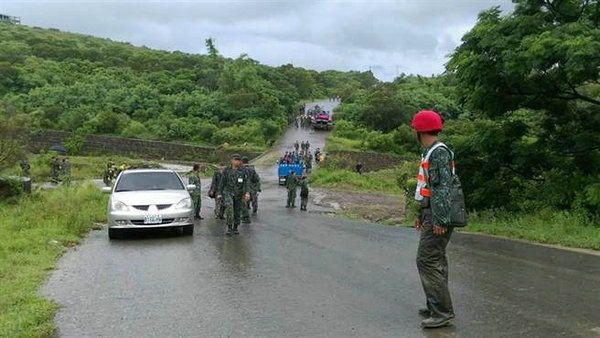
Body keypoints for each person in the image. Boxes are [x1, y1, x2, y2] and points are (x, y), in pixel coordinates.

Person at [411, 110, 456, 329]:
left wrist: (440, 219)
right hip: (430, 211)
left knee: (426, 260)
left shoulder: (438, 153)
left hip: (438, 214)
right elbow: (428, 188)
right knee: (435, 259)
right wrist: (421, 214)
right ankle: (435, 304)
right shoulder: (430, 152)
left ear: (419, 131)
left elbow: (443, 188)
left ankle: (442, 311)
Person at [218, 154, 250, 236]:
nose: (237, 161)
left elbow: (246, 182)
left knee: (237, 211)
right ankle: (229, 227)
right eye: (236, 160)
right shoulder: (227, 170)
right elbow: (222, 182)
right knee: (229, 208)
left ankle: (235, 227)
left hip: (238, 194)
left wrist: (247, 193)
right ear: (232, 160)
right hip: (228, 192)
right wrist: (220, 193)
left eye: (239, 160)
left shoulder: (243, 170)